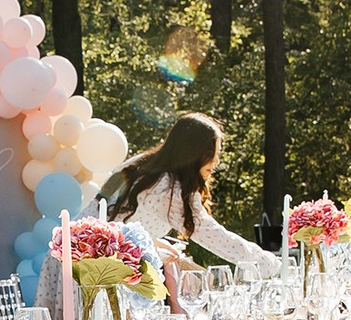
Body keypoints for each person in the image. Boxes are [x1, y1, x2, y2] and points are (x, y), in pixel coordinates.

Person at [98, 112, 281, 277]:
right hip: (101, 273)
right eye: (212, 154)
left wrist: (160, 247)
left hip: (88, 261)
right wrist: (272, 265)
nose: (216, 162)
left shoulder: (142, 164)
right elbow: (216, 237)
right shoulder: (168, 189)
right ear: (193, 153)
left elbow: (121, 224)